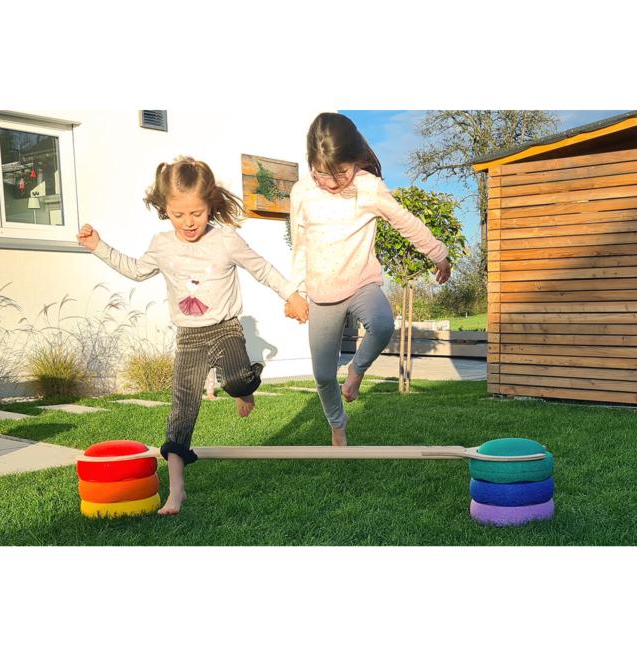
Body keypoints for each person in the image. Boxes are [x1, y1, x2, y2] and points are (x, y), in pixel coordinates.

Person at [77, 156, 308, 515]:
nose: (188, 222)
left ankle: (244, 389)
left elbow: (262, 269)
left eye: (196, 213)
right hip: (188, 339)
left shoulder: (226, 239)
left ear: (210, 205)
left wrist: (291, 294)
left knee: (236, 381)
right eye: (178, 214)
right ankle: (177, 491)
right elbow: (136, 270)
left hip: (225, 330)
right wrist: (98, 246)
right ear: (165, 209)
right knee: (181, 413)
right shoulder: (162, 244)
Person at [285, 112, 451, 447]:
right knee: (322, 374)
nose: (332, 182)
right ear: (310, 163)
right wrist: (294, 291)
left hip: (362, 282)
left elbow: (405, 221)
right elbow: (300, 244)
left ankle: (357, 370)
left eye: (341, 172)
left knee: (383, 324)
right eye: (322, 173)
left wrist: (438, 253)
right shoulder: (302, 192)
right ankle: (338, 425)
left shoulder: (368, 188)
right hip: (321, 293)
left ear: (354, 160)